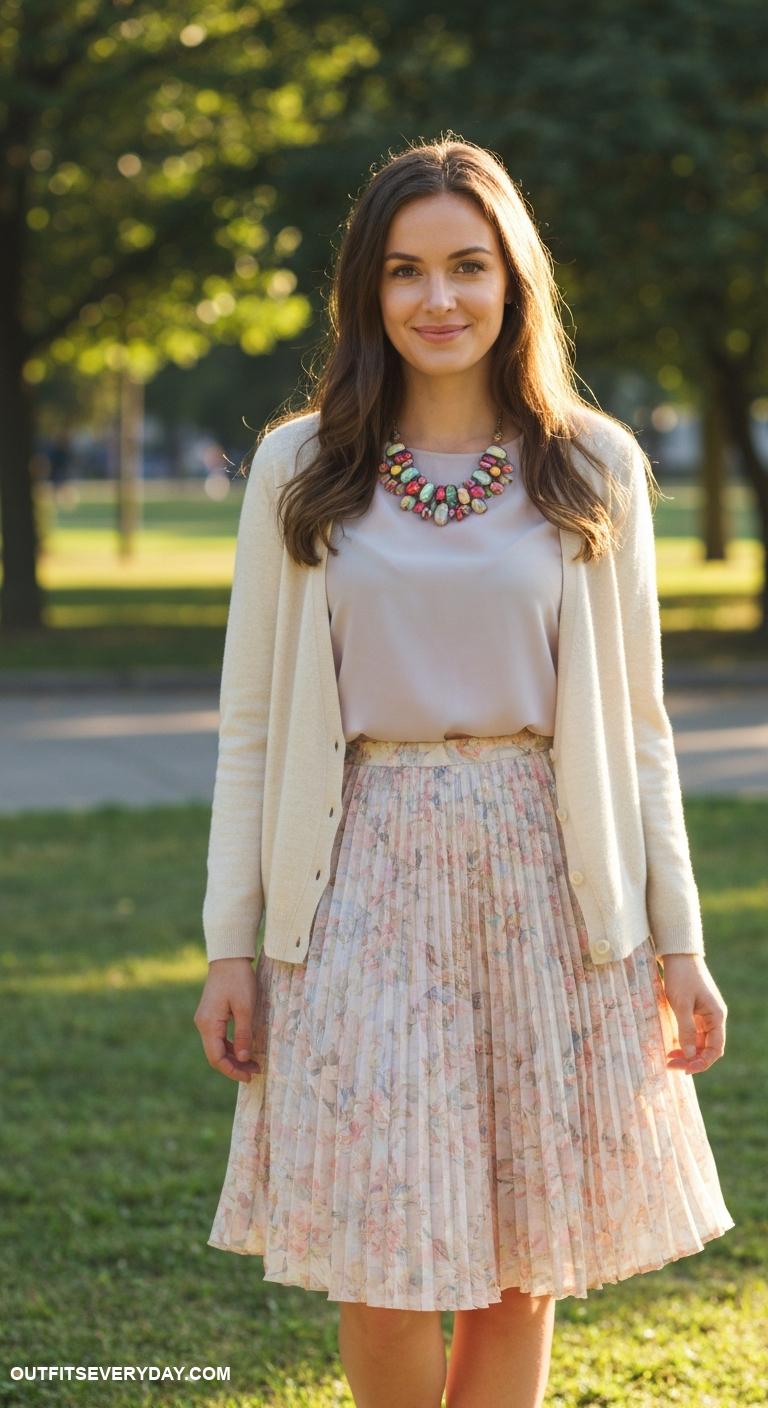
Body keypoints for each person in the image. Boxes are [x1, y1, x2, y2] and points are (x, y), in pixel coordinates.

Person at [193, 137, 735, 1408]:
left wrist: (679, 938)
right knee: (381, 1251)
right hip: (359, 876)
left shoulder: (592, 466)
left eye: (468, 267)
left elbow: (641, 727)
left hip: (549, 878)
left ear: (514, 283)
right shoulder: (298, 468)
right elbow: (254, 725)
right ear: (367, 294)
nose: (439, 299)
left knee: (518, 1253)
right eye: (405, 271)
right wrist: (232, 941)